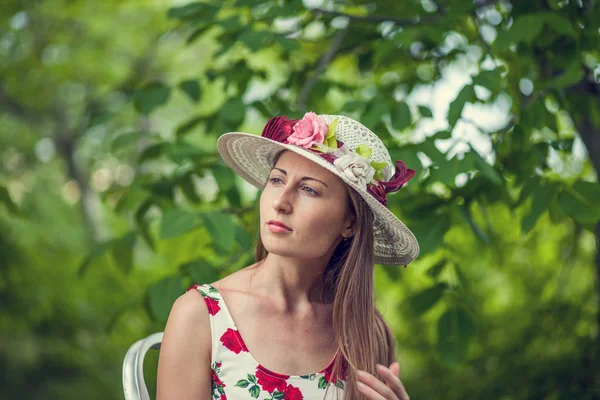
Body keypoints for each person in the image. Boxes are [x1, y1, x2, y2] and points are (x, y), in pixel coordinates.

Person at [156, 112, 419, 400]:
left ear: (350, 223)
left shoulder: (366, 333)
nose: (281, 202)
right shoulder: (200, 316)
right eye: (277, 180)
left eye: (309, 189)